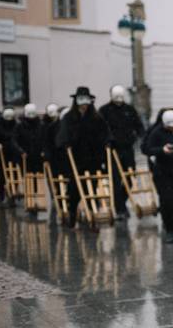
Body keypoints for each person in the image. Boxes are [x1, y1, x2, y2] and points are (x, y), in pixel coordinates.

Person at [56, 86, 112, 228]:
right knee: (75, 189)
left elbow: (105, 132)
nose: (84, 105)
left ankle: (92, 214)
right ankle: (73, 215)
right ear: (76, 102)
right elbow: (62, 135)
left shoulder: (97, 117)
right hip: (76, 158)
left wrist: (107, 142)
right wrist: (65, 143)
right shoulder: (69, 118)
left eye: (86, 102)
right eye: (81, 102)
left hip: (93, 158)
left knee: (92, 188)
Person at [143, 108, 173, 243]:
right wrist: (161, 150)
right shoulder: (157, 132)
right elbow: (147, 148)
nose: (172, 128)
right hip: (164, 173)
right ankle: (170, 230)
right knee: (168, 202)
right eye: (169, 126)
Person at [99, 84, 145, 220]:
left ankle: (122, 203)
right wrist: (106, 140)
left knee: (130, 177)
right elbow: (99, 129)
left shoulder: (129, 110)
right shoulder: (104, 110)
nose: (119, 100)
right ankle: (119, 208)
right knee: (115, 179)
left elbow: (139, 126)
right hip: (112, 150)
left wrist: (140, 136)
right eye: (116, 97)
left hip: (127, 148)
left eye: (121, 97)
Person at [0, 108, 23, 206]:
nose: (9, 120)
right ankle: (1, 193)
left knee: (14, 172)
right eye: (7, 118)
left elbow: (17, 136)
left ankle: (13, 192)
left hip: (13, 151)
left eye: (11, 118)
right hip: (2, 151)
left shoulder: (17, 124)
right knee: (1, 173)